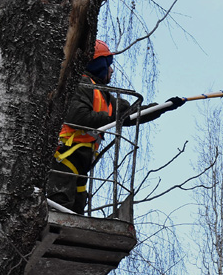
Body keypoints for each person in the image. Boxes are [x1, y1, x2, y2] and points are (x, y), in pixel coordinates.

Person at [46, 39, 183, 213]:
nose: (111, 70)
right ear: (98, 65)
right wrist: (115, 118)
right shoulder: (78, 86)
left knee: (75, 209)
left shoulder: (105, 96)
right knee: (59, 207)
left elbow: (132, 115)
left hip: (79, 161)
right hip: (63, 157)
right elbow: (78, 116)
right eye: (108, 65)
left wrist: (164, 107)